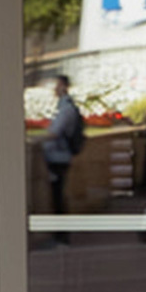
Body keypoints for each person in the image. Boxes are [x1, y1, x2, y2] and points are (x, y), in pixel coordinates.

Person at [42, 75, 85, 238]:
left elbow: (54, 132)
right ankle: (61, 234)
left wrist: (37, 139)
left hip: (58, 157)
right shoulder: (65, 107)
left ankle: (61, 236)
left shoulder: (66, 109)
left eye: (57, 85)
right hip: (60, 156)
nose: (55, 89)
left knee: (58, 197)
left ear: (64, 87)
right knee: (58, 196)